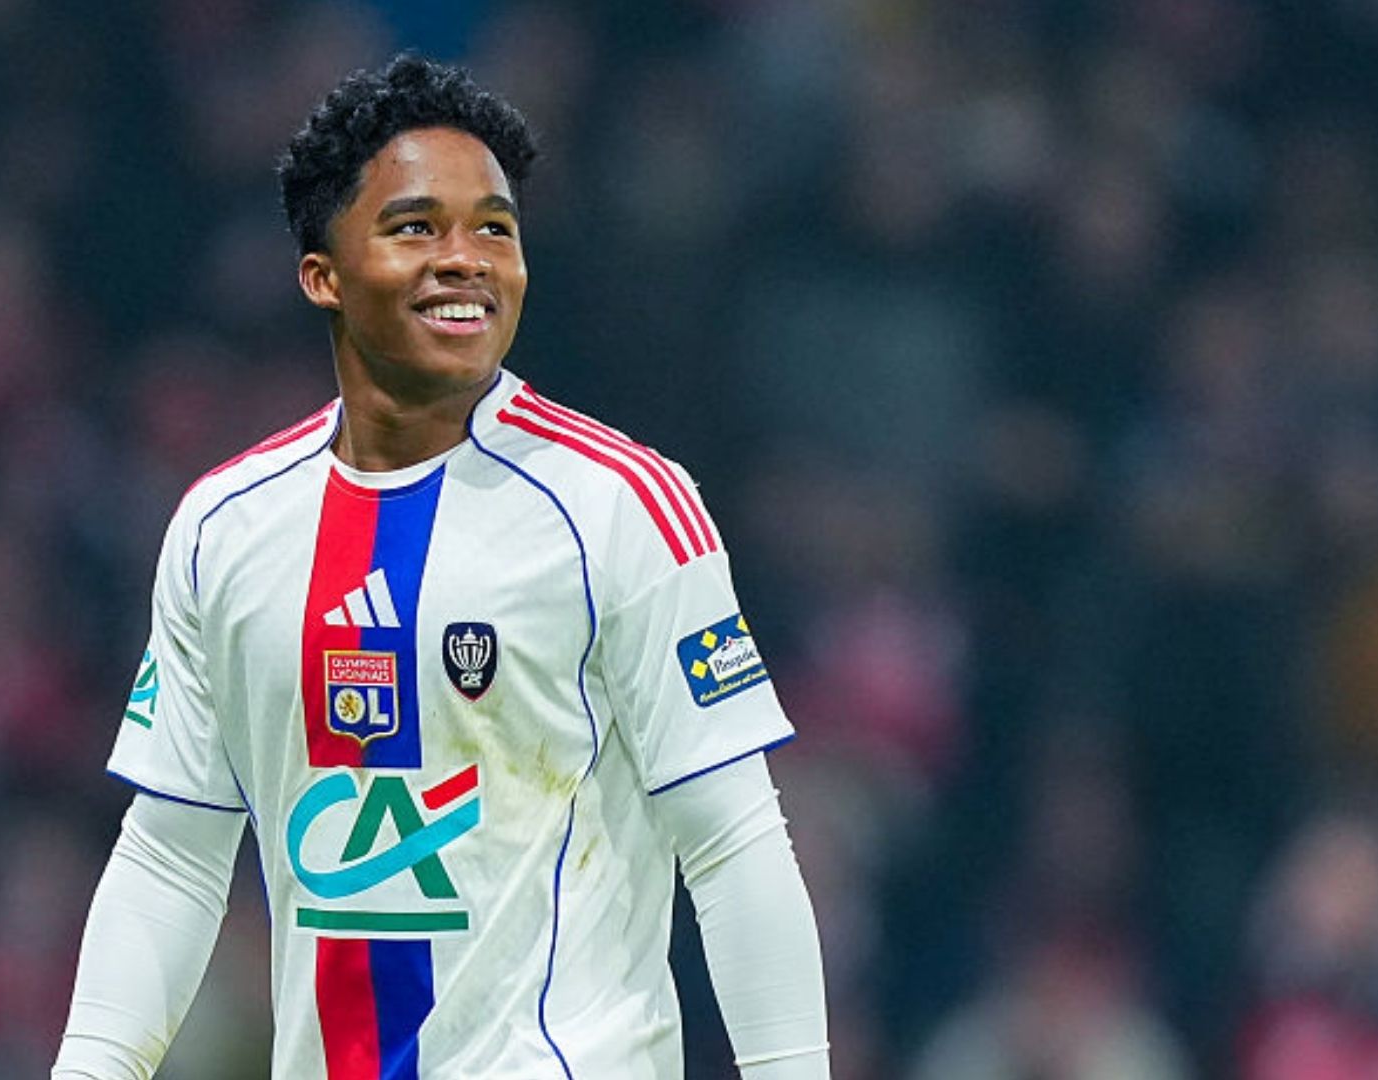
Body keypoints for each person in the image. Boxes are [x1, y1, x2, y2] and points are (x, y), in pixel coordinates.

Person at [54, 54, 829, 1079]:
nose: (465, 259)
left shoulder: (621, 506)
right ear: (323, 275)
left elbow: (733, 842)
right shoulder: (224, 528)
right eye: (417, 227)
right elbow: (172, 853)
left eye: (494, 230)